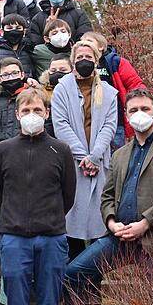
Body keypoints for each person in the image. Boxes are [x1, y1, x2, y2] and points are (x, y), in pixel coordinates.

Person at [65, 88, 153, 305]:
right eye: (133, 110)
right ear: (126, 114)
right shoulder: (120, 154)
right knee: (74, 272)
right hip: (118, 236)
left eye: (145, 109)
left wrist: (144, 224)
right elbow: (107, 196)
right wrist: (112, 223)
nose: (139, 114)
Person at [0, 88, 76, 305]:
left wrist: (47, 219)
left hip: (51, 237)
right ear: (16, 115)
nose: (31, 116)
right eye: (26, 111)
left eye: (37, 111)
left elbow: (68, 195)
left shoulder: (61, 150)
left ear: (47, 114)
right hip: (14, 238)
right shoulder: (3, 150)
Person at [51, 41, 118, 260]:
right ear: (72, 61)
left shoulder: (108, 92)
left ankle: (93, 283)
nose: (84, 61)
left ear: (96, 61)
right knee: (73, 221)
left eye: (88, 58)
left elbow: (109, 125)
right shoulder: (61, 89)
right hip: (73, 163)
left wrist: (95, 157)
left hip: (99, 161)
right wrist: (83, 157)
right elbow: (61, 125)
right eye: (79, 58)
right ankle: (72, 283)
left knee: (99, 221)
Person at [81, 31, 148, 149]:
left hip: (116, 120)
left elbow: (135, 84)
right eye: (82, 42)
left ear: (101, 46)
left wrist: (149, 106)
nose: (85, 45)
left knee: (118, 154)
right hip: (90, 122)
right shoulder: (79, 65)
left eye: (89, 41)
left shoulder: (115, 62)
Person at [28, 0, 92, 46]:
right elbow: (35, 44)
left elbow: (85, 39)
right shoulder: (38, 18)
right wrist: (48, 28)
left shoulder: (79, 15)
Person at [0, 58, 33, 150]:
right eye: (5, 75)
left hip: (29, 147)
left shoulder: (32, 96)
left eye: (14, 73)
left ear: (22, 75)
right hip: (0, 149)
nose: (11, 78)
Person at [0, 14, 34, 78]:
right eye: (9, 28)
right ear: (2, 31)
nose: (14, 31)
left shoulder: (29, 49)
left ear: (24, 32)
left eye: (18, 28)